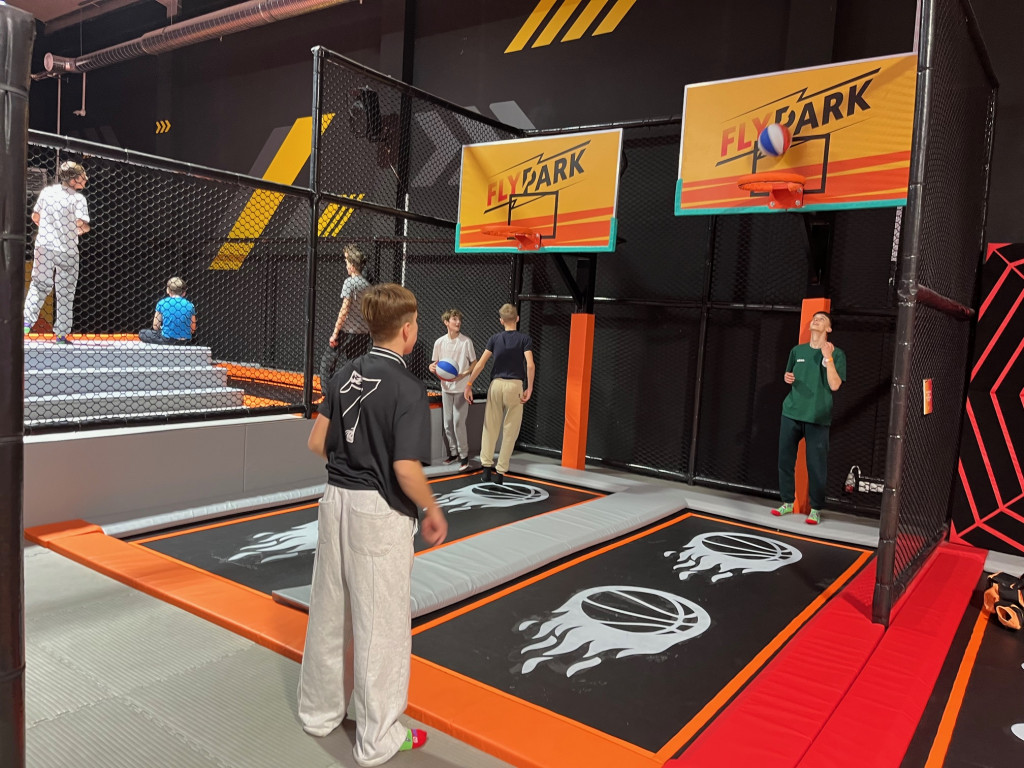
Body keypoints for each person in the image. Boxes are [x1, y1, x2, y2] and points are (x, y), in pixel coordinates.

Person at [298, 283, 448, 767]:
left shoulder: (344, 373)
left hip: (334, 502)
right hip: (378, 513)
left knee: (330, 613)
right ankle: (378, 738)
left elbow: (317, 442)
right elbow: (405, 468)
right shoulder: (408, 388)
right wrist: (432, 508)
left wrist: (353, 461)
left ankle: (319, 713)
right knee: (381, 623)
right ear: (407, 331)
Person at [772, 311, 846, 525]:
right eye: (815, 318)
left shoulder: (837, 354)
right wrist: (787, 377)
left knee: (816, 465)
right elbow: (789, 375)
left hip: (817, 417)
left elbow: (835, 385)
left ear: (828, 329)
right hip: (791, 412)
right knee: (785, 459)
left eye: (822, 319)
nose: (816, 320)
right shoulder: (797, 351)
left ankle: (816, 509)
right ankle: (787, 502)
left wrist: (828, 357)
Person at [463, 303, 535, 485]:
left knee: (490, 427)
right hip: (515, 386)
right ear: (517, 318)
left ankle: (486, 469)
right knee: (510, 430)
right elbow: (530, 364)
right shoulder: (524, 339)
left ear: (501, 321)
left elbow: (480, 364)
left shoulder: (494, 339)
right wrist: (530, 387)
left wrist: (469, 384)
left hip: (496, 385)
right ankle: (501, 473)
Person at [23, 161, 91, 344]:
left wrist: (49, 227)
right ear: (74, 179)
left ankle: (25, 325)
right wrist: (77, 228)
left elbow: (35, 216)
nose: (86, 179)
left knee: (39, 286)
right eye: (83, 176)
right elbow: (81, 224)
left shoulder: (47, 192)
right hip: (67, 249)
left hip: (44, 246)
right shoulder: (78, 199)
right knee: (65, 292)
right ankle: (61, 334)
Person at [429, 309, 477, 471]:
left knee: (458, 423)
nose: (458, 322)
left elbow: (475, 363)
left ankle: (464, 456)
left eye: (459, 320)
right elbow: (435, 364)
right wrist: (431, 367)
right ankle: (454, 453)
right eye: (454, 319)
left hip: (462, 388)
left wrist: (464, 374)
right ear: (446, 322)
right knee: (447, 423)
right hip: (446, 388)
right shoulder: (439, 342)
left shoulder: (466, 342)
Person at [321, 246, 373, 389]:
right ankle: (353, 393)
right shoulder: (368, 286)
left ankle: (328, 394)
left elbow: (344, 310)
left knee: (327, 362)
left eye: (347, 262)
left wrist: (335, 333)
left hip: (347, 331)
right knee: (355, 365)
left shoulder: (350, 283)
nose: (346, 265)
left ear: (352, 265)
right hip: (362, 333)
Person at [139, 277, 196, 345]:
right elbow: (192, 329)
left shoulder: (162, 303)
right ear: (184, 293)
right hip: (185, 341)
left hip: (167, 340)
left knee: (142, 333)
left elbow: (155, 326)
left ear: (168, 290)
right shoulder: (190, 305)